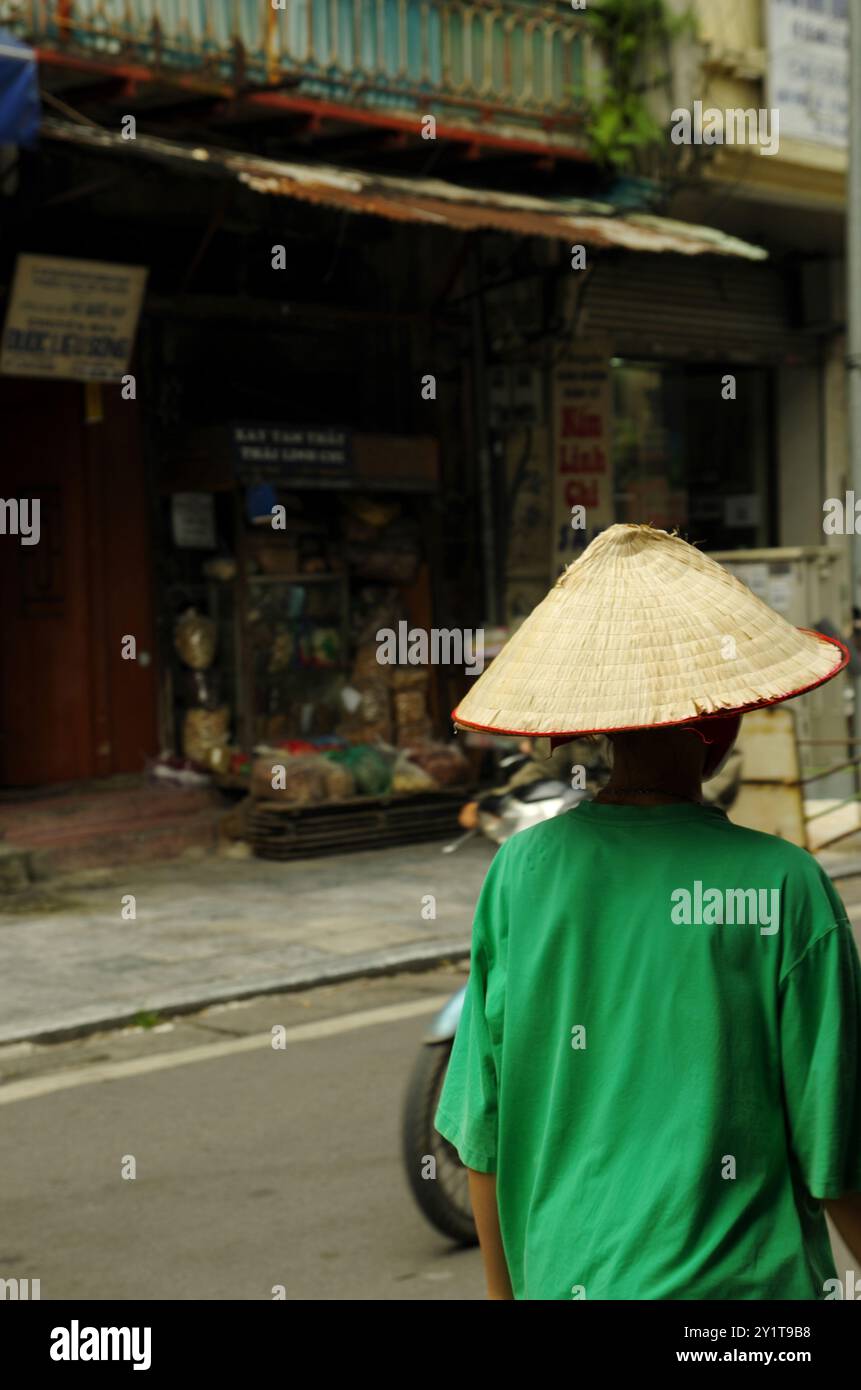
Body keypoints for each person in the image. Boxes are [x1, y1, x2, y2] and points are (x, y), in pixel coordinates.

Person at [434, 523, 861, 1300]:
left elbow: (480, 1136)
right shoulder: (783, 887)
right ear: (727, 723)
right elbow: (835, 1152)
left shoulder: (519, 873)